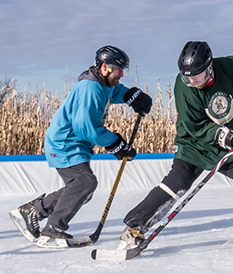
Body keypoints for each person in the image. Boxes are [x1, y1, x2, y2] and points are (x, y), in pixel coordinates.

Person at [119, 41, 233, 248]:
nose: (193, 81)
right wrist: (225, 136)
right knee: (175, 186)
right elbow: (193, 126)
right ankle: (133, 228)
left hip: (227, 147)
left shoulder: (230, 67)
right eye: (188, 77)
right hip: (193, 145)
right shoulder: (184, 86)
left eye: (198, 76)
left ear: (210, 67)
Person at [8, 45, 152, 248]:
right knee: (84, 183)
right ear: (104, 67)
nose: (121, 74)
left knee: (81, 186)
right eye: (118, 69)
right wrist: (116, 144)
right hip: (65, 143)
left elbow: (115, 91)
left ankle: (34, 211)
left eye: (123, 70)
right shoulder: (90, 89)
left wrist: (133, 97)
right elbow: (87, 128)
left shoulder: (104, 85)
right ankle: (53, 228)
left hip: (73, 144)